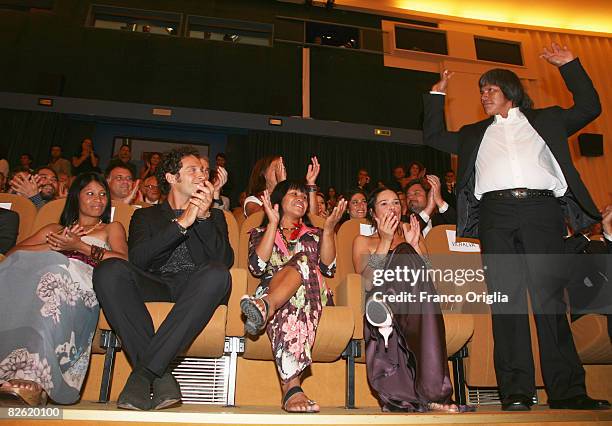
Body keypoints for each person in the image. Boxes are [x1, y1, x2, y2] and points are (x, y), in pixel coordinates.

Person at [422, 42, 609, 411]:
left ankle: (568, 391)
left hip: (542, 212)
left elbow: (590, 107)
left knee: (551, 302)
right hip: (495, 216)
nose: (483, 95)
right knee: (506, 303)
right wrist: (435, 96)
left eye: (490, 89)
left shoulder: (548, 120)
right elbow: (433, 137)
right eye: (481, 91)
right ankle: (516, 392)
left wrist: (570, 65)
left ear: (510, 92)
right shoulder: (475, 132)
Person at [92, 146, 233, 411]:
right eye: (193, 169)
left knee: (218, 274)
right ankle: (162, 374)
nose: (202, 174)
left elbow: (223, 261)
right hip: (155, 283)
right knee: (108, 270)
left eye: (204, 170)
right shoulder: (145, 215)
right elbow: (139, 259)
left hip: (195, 287)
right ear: (171, 177)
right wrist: (181, 224)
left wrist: (201, 218)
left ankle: (143, 374)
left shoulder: (214, 216)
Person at [0, 172, 128, 406]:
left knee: (56, 273)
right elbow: (12, 256)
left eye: (102, 194)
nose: (98, 199)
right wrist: (56, 245)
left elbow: (122, 261)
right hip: (44, 285)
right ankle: (13, 371)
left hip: (83, 287)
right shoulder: (54, 229)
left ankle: (34, 377)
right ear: (75, 198)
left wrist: (79, 246)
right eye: (90, 193)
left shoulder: (111, 228)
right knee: (43, 271)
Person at [352, 188, 465, 413]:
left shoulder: (412, 236)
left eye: (395, 202)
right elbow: (365, 282)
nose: (392, 207)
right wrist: (385, 242)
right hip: (379, 297)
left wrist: (416, 247)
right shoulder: (362, 240)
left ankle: (433, 397)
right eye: (384, 204)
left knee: (405, 251)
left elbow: (430, 278)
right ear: (373, 213)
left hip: (414, 304)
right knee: (401, 253)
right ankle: (386, 308)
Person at [240, 180, 346, 412]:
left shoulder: (316, 234)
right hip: (276, 293)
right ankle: (292, 390)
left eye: (304, 195)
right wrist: (273, 224)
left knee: (302, 260)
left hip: (311, 294)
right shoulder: (259, 232)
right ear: (278, 202)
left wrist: (328, 230)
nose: (301, 198)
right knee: (290, 296)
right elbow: (257, 267)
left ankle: (266, 307)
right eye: (294, 194)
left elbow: (328, 269)